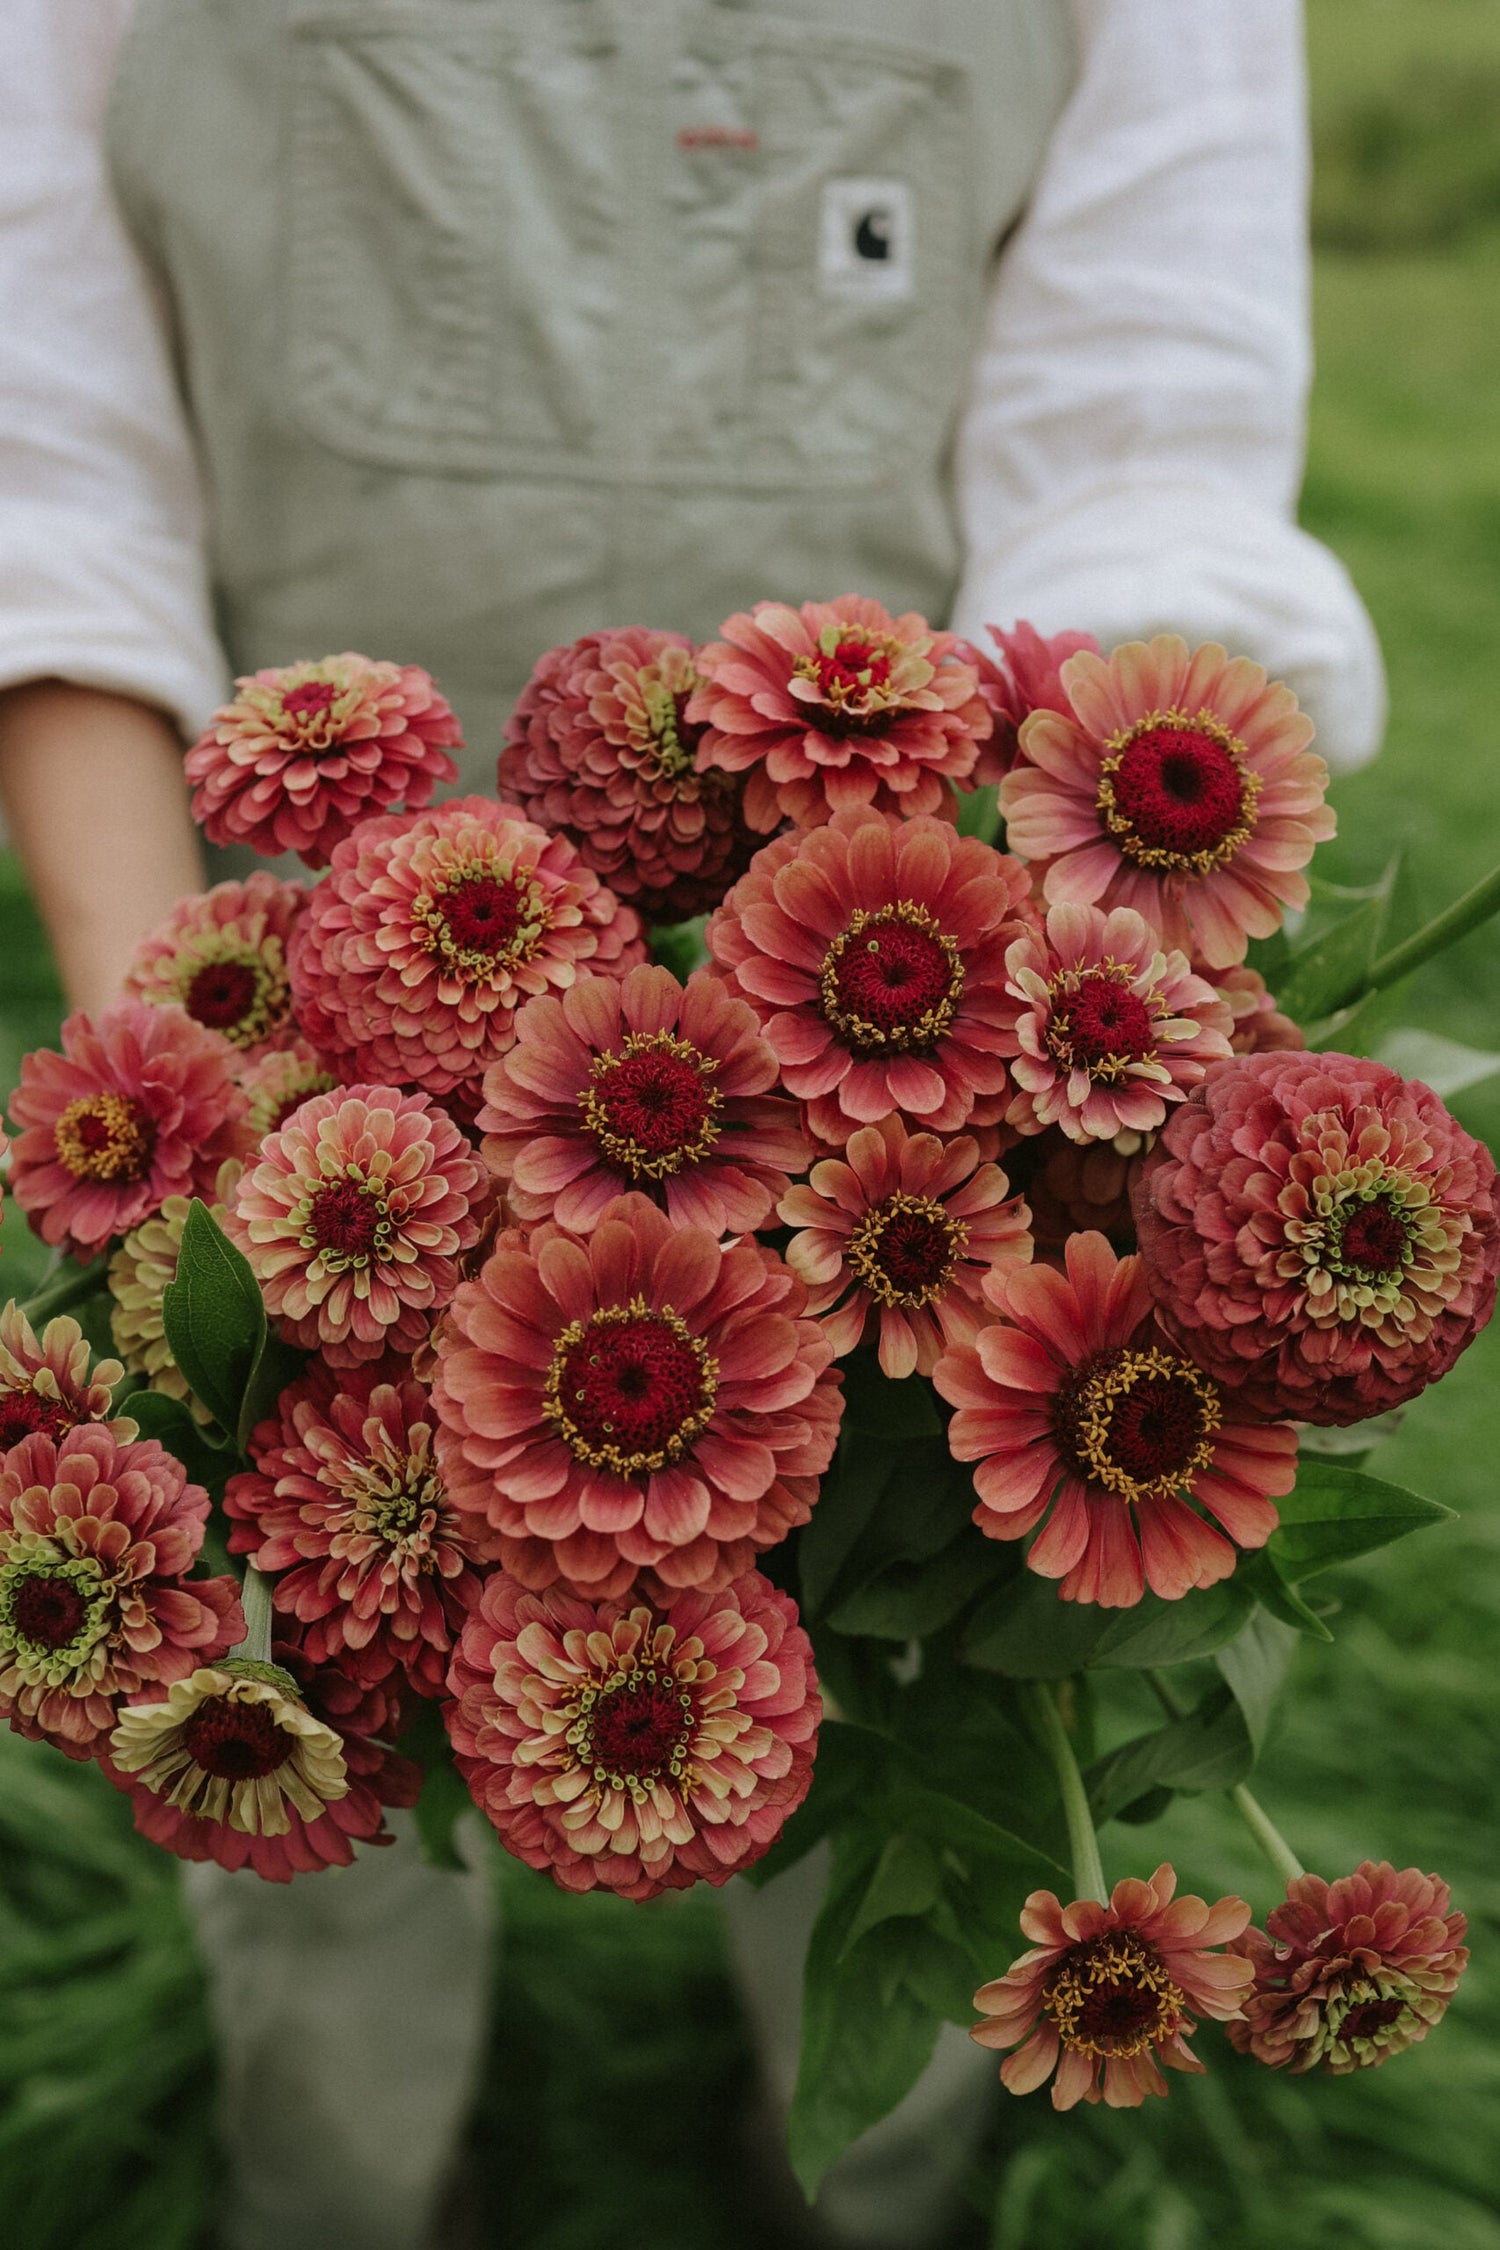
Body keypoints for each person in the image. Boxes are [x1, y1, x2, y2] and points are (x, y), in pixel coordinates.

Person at [0, 3, 1384, 2245]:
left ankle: (869, 2173)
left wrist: (1092, 1015)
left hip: (931, 1026)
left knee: (933, 1707)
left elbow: (1150, 426)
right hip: (296, 1027)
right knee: (290, 1679)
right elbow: (52, 465)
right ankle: (331, 2180)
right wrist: (185, 1085)